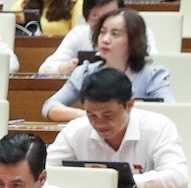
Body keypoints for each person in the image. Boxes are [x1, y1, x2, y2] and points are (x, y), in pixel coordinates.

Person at [46, 66, 187, 188]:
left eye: (108, 115)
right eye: (92, 115)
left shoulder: (158, 127)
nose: (100, 123)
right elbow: (45, 171)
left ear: (129, 105)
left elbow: (178, 176)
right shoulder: (75, 131)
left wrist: (118, 181)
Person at [42, 9, 173, 121]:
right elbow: (50, 106)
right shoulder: (85, 72)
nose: (105, 40)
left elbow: (171, 109)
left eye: (115, 34)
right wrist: (88, 115)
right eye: (103, 32)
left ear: (133, 40)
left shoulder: (151, 76)